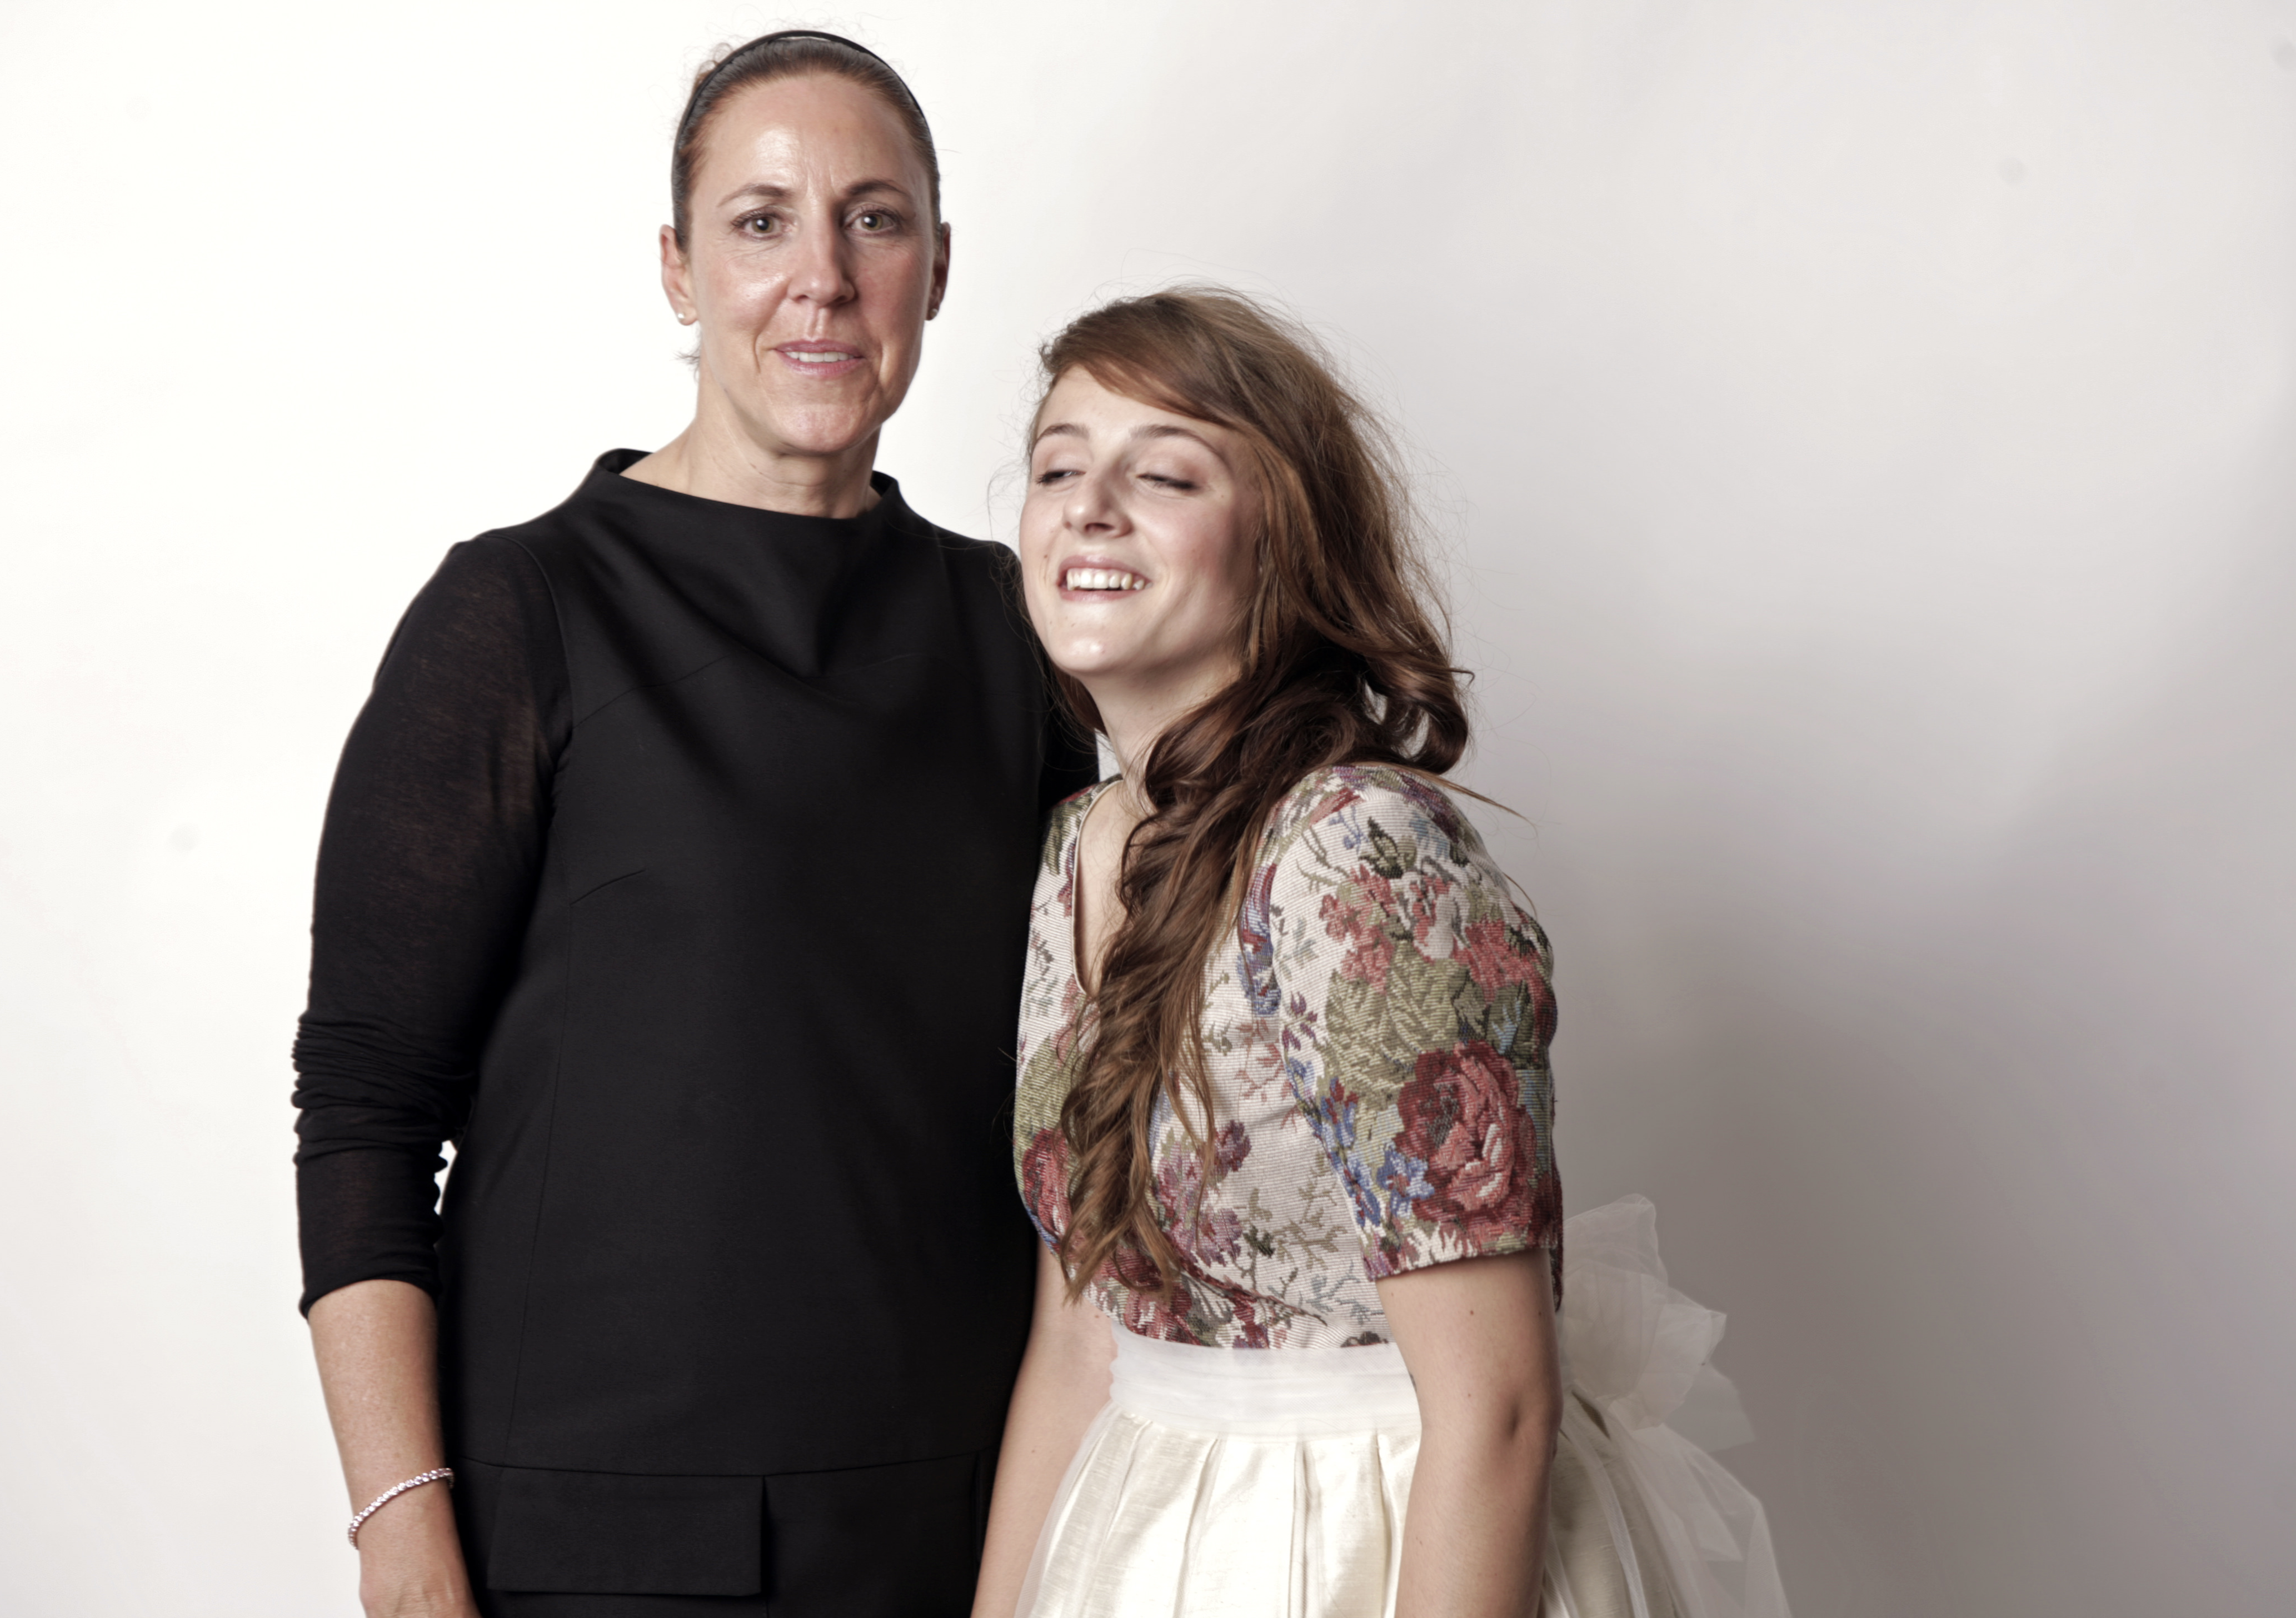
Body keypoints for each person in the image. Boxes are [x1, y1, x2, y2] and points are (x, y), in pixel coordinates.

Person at [292, 31, 1095, 1618]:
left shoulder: (1016, 630)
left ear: (937, 269)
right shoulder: (520, 613)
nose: (823, 279)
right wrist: (401, 1531)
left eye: (874, 220)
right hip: (592, 1539)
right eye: (761, 221)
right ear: (677, 267)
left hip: (956, 1529)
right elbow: (368, 1105)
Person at [971, 289, 1791, 1618]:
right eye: (1059, 468)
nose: (1090, 508)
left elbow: (1498, 1403)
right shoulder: (1077, 845)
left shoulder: (1359, 852)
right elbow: (1076, 1339)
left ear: (1283, 543)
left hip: (1379, 1534)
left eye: (1164, 474)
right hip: (1143, 1527)